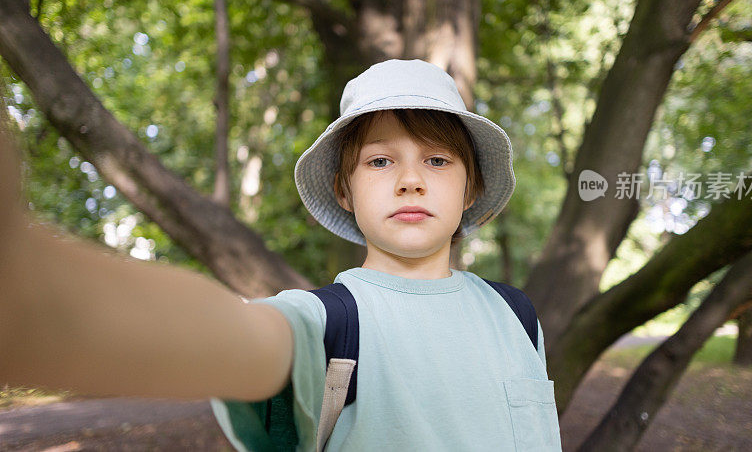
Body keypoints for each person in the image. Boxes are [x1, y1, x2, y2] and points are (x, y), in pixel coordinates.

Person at [0, 59, 561, 450]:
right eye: (380, 161)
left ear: (470, 190)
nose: (411, 180)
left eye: (438, 161)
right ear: (344, 190)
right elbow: (237, 337)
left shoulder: (516, 315)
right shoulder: (329, 324)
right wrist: (29, 286)